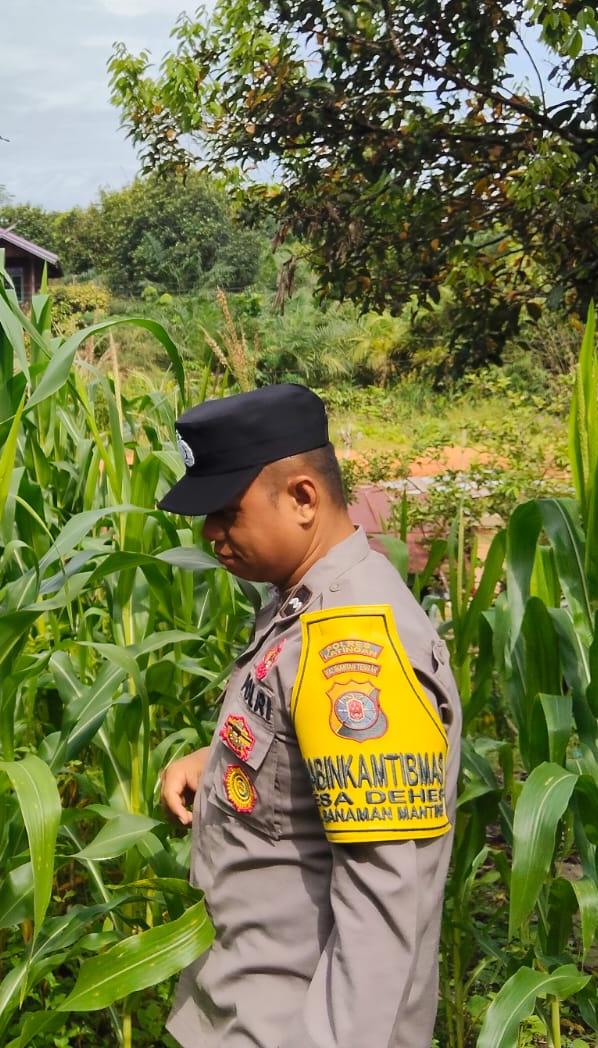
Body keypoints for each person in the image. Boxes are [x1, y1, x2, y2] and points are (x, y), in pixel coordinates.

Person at [155, 383, 461, 1048]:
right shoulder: (302, 601)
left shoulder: (353, 648)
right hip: (243, 1001)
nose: (209, 533)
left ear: (302, 498)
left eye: (226, 512)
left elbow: (385, 903)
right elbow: (302, 745)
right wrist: (220, 760)